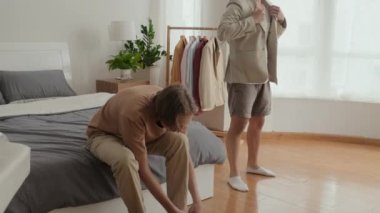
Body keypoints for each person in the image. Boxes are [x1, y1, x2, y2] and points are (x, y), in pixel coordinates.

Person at [86, 84, 202, 213]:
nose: (183, 129)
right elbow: (144, 171)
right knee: (125, 160)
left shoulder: (173, 104)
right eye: (180, 126)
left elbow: (185, 156)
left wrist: (197, 201)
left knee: (181, 141)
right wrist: (170, 209)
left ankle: (179, 209)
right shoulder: (134, 113)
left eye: (185, 125)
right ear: (166, 121)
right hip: (106, 135)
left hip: (139, 135)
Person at [217, 0, 287, 192]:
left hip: (262, 74)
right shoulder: (237, 6)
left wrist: (281, 21)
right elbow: (222, 32)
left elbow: (267, 38)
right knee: (239, 124)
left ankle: (253, 164)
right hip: (242, 75)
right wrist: (251, 20)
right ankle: (233, 174)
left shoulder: (266, 5)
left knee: (258, 121)